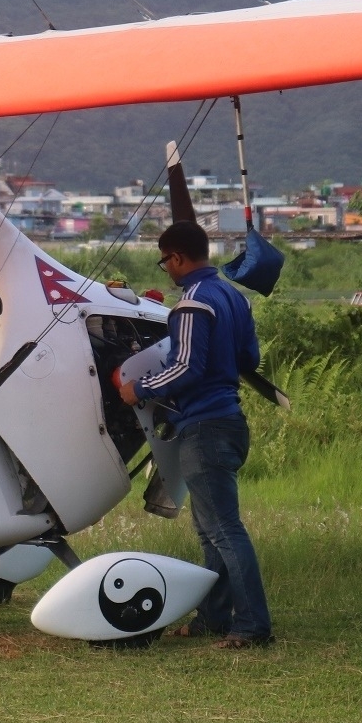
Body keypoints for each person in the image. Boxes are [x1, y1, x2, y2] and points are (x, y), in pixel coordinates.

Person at [119, 221, 272, 649]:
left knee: (223, 530)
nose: (166, 268)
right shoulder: (232, 297)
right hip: (229, 421)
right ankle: (212, 618)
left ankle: (252, 626)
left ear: (178, 258)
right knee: (210, 530)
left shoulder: (191, 305)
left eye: (164, 260)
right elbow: (250, 357)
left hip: (203, 426)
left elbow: (186, 366)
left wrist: (139, 388)